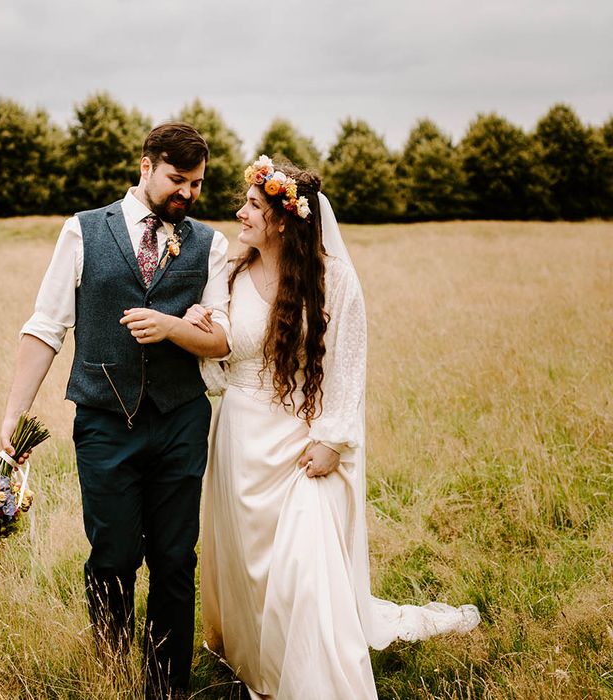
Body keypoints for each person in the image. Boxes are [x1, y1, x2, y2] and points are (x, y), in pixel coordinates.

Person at [193, 156, 480, 699]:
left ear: (282, 218)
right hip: (239, 438)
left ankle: (315, 677)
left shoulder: (336, 281)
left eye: (252, 205)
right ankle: (259, 654)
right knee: (252, 565)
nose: (240, 213)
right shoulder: (229, 274)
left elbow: (350, 366)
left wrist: (332, 439)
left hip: (304, 441)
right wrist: (198, 326)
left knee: (305, 564)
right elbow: (218, 363)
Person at [0, 122, 231, 699]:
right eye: (178, 180)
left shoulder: (212, 245)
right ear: (146, 165)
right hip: (104, 422)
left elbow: (223, 338)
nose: (188, 194)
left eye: (197, 184)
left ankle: (166, 686)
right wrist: (13, 416)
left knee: (176, 560)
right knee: (112, 557)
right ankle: (113, 675)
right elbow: (46, 327)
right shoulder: (81, 233)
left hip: (181, 419)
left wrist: (177, 328)